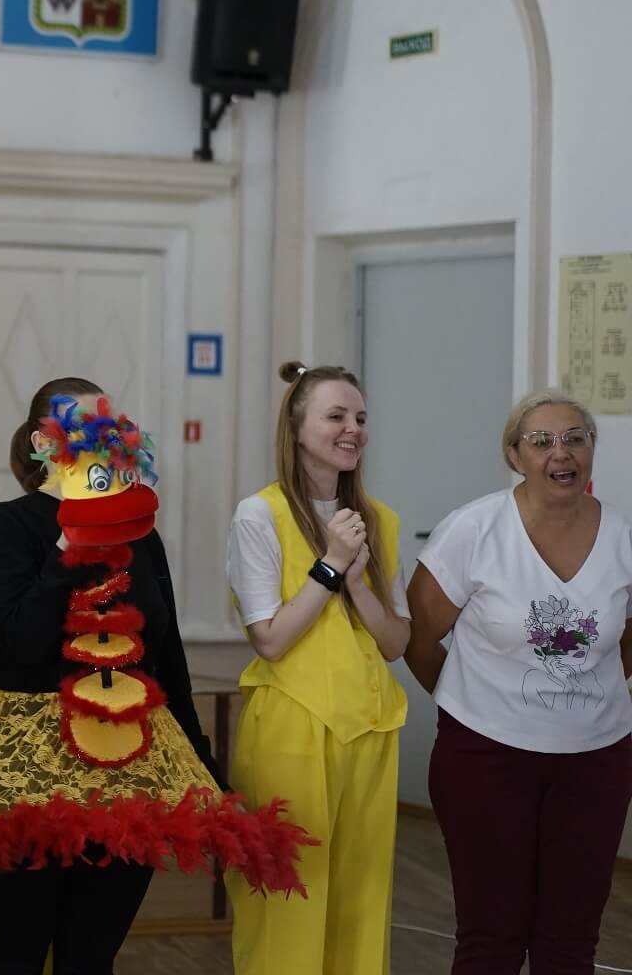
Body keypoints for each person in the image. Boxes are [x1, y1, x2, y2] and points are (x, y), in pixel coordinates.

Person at [0, 377, 296, 975]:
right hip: (31, 769)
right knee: (19, 954)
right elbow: (19, 641)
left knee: (92, 957)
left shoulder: (141, 535)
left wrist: (203, 766)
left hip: (132, 761)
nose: (99, 437)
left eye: (108, 424)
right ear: (40, 443)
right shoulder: (9, 523)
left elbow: (166, 656)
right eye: (80, 425)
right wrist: (67, 546)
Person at [405, 390, 632, 974]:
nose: (562, 452)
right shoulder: (473, 529)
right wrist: (474, 704)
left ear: (591, 450)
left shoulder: (623, 536)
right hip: (484, 758)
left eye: (576, 438)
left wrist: (572, 696)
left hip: (596, 762)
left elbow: (626, 644)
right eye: (542, 441)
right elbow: (418, 638)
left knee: (571, 942)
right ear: (514, 455)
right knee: (490, 939)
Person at [226, 361, 411, 974]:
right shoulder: (260, 514)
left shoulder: (380, 519)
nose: (353, 429)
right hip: (293, 725)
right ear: (297, 427)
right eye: (336, 416)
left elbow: (395, 642)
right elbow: (271, 640)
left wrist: (357, 582)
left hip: (370, 726)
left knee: (361, 898)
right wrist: (331, 564)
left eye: (360, 417)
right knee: (288, 897)